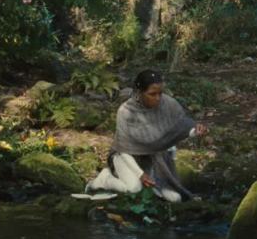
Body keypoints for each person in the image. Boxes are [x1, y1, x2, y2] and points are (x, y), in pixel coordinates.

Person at [86, 69, 207, 202]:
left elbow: (180, 127)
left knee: (175, 198)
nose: (158, 98)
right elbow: (124, 150)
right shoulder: (126, 111)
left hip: (154, 158)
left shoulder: (168, 104)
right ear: (139, 93)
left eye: (160, 93)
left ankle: (152, 187)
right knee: (134, 188)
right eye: (152, 94)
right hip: (126, 157)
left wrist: (195, 131)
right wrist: (141, 174)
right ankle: (104, 179)